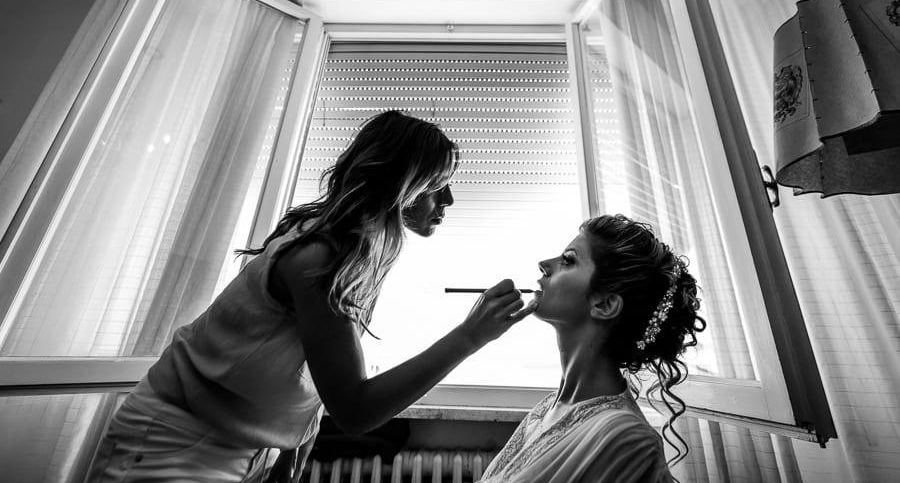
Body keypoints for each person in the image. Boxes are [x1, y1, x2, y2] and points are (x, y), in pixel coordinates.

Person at [87, 110, 536, 483]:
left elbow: (310, 368)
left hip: (239, 445)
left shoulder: (356, 251)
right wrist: (471, 336)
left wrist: (288, 446)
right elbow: (355, 409)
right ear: (399, 183)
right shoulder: (319, 257)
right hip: (173, 444)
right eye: (438, 184)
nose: (450, 200)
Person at [479, 214, 706, 483]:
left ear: (605, 305)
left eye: (568, 260)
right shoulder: (547, 408)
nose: (543, 265)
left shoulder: (627, 439)